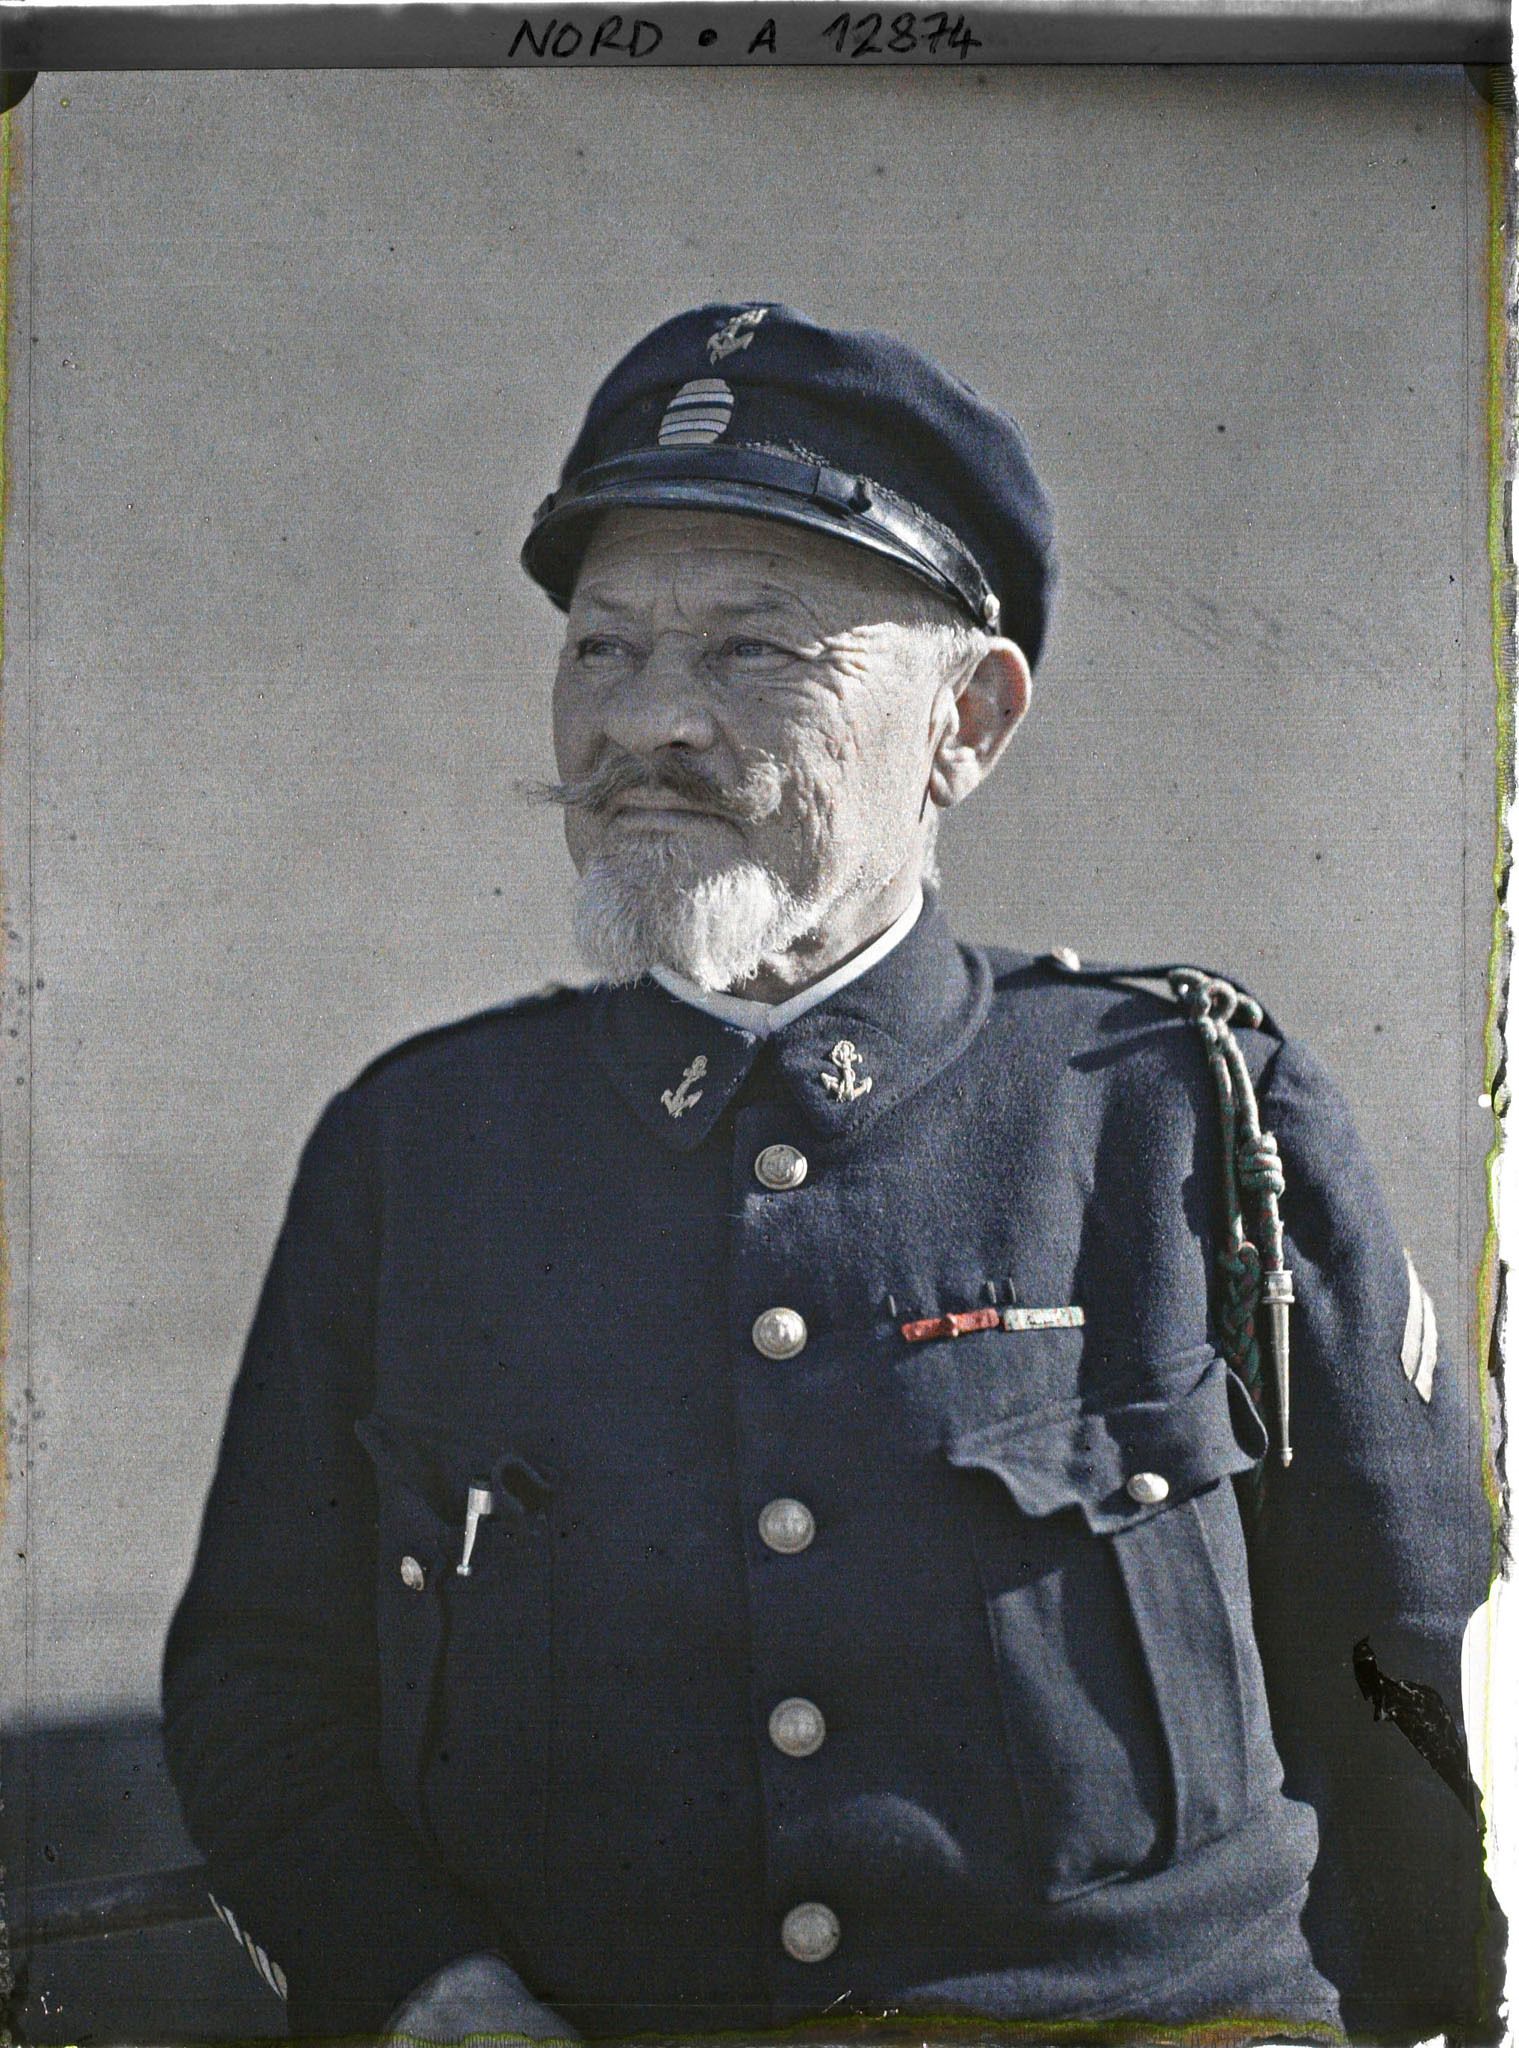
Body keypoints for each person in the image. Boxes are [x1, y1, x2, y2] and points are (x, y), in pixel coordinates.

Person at [162, 303, 1500, 2046]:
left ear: (971, 722)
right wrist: (437, 2000)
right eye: (602, 651)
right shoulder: (415, 1153)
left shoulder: (1184, 1119)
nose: (648, 724)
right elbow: (263, 1693)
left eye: (752, 655)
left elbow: (1423, 1684)